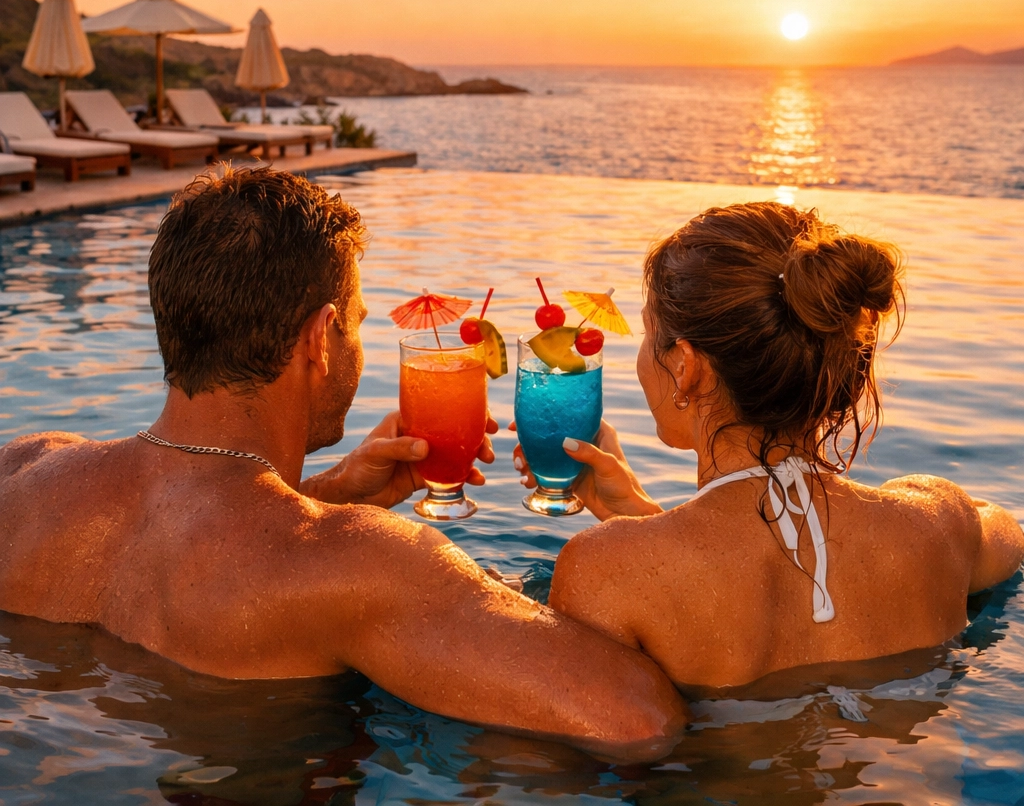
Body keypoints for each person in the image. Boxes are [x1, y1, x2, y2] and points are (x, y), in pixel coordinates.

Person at [0, 166, 687, 760]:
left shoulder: (26, 470)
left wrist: (325, 497)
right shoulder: (361, 562)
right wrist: (645, 532)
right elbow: (638, 717)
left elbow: (188, 539)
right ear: (321, 338)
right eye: (356, 323)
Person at [515, 202, 1024, 690]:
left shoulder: (609, 569)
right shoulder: (940, 521)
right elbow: (1007, 538)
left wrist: (645, 535)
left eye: (651, 336)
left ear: (685, 366)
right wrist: (642, 516)